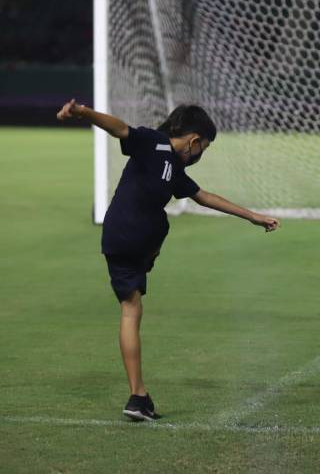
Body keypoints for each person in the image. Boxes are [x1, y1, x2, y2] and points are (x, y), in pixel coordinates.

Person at [56, 100, 280, 421]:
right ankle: (137, 397)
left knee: (130, 309)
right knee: (158, 230)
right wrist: (85, 113)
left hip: (115, 237)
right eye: (203, 147)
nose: (201, 154)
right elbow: (120, 128)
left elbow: (202, 195)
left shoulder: (173, 166)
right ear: (193, 140)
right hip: (140, 238)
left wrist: (251, 215)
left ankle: (139, 396)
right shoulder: (152, 141)